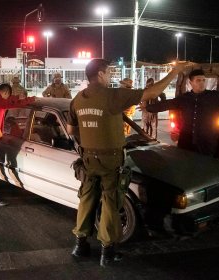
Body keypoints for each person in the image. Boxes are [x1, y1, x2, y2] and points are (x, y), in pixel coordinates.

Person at [66, 58, 187, 267]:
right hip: (110, 160)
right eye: (110, 72)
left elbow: (70, 131)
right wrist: (175, 72)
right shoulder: (113, 95)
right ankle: (107, 251)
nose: (111, 75)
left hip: (88, 159)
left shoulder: (78, 99)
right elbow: (150, 93)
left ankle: (80, 245)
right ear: (101, 74)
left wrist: (89, 136)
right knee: (110, 203)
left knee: (86, 200)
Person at [141, 69, 219, 168]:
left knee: (206, 170)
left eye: (203, 80)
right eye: (198, 80)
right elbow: (167, 104)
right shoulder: (185, 98)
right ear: (191, 83)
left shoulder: (214, 97)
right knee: (185, 168)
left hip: (208, 143)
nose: (202, 83)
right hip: (186, 143)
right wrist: (148, 108)